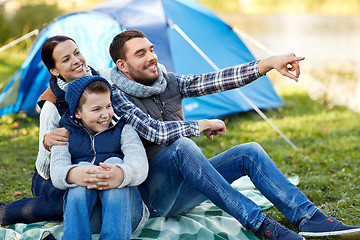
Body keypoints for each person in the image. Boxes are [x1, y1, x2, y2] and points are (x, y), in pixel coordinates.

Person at [95, 29, 360, 240]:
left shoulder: (169, 82)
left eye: (151, 49)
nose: (152, 56)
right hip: (151, 199)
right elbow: (153, 131)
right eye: (140, 53)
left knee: (249, 151)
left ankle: (308, 218)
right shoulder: (114, 95)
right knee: (181, 147)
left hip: (186, 191)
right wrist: (200, 125)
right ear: (123, 65)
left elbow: (218, 79)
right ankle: (261, 225)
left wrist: (268, 63)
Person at [0, 36, 102, 226]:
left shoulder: (102, 83)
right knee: (64, 204)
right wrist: (47, 144)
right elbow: (45, 169)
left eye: (76, 52)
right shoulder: (52, 106)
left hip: (92, 169)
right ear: (54, 70)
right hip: (52, 178)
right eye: (66, 59)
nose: (76, 61)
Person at [50, 75, 148, 240]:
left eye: (108, 106)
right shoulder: (65, 133)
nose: (105, 115)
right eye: (96, 109)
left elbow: (140, 165)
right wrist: (76, 174)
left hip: (127, 216)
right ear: (78, 112)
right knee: (79, 173)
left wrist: (121, 174)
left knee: (114, 163)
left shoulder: (123, 129)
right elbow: (57, 172)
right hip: (89, 219)